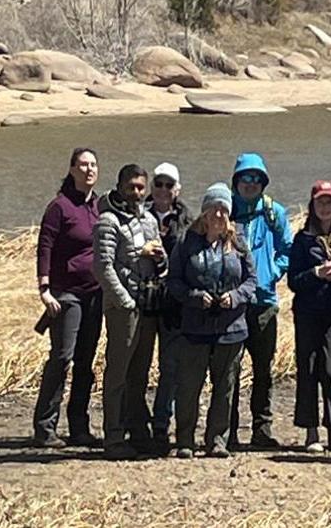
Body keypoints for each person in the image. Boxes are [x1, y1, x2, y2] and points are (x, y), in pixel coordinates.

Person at [166, 183, 258, 459]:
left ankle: (217, 440)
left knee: (225, 386)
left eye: (223, 210)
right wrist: (194, 296)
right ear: (204, 213)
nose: (219, 215)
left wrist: (237, 296)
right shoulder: (186, 242)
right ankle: (185, 439)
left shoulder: (238, 242)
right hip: (195, 326)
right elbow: (173, 281)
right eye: (214, 209)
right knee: (189, 385)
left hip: (231, 328)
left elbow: (252, 280)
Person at [93, 163, 165, 460]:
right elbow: (102, 267)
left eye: (140, 187)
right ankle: (113, 436)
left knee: (140, 374)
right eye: (131, 187)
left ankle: (137, 431)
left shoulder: (148, 219)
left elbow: (160, 260)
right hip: (123, 309)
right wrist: (125, 300)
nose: (136, 192)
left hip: (147, 306)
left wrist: (161, 261)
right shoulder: (107, 222)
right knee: (118, 374)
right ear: (120, 186)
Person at [32, 148, 102, 449]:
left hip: (94, 294)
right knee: (62, 358)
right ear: (72, 169)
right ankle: (45, 427)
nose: (89, 170)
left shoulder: (99, 206)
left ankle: (78, 427)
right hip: (66, 295)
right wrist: (44, 289)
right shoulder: (59, 207)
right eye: (83, 165)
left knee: (86, 362)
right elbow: (44, 246)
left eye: (93, 165)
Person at [228, 152, 293, 451]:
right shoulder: (225, 210)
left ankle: (261, 429)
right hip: (233, 303)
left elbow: (287, 250)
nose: (250, 184)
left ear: (263, 182)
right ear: (237, 180)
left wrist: (272, 273)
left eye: (256, 178)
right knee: (229, 368)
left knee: (263, 370)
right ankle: (226, 430)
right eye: (245, 177)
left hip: (264, 301)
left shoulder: (273, 212)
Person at [288, 181, 331, 454]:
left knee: (330, 371)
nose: (325, 207)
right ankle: (310, 431)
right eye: (320, 202)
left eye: (329, 202)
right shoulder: (303, 239)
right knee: (307, 370)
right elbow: (294, 281)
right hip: (306, 313)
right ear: (312, 206)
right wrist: (316, 273)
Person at [148, 162, 194, 453]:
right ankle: (134, 423)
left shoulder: (188, 220)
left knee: (171, 368)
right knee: (134, 368)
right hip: (141, 301)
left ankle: (162, 427)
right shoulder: (138, 215)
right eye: (159, 184)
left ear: (177, 189)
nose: (164, 190)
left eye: (169, 185)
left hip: (173, 304)